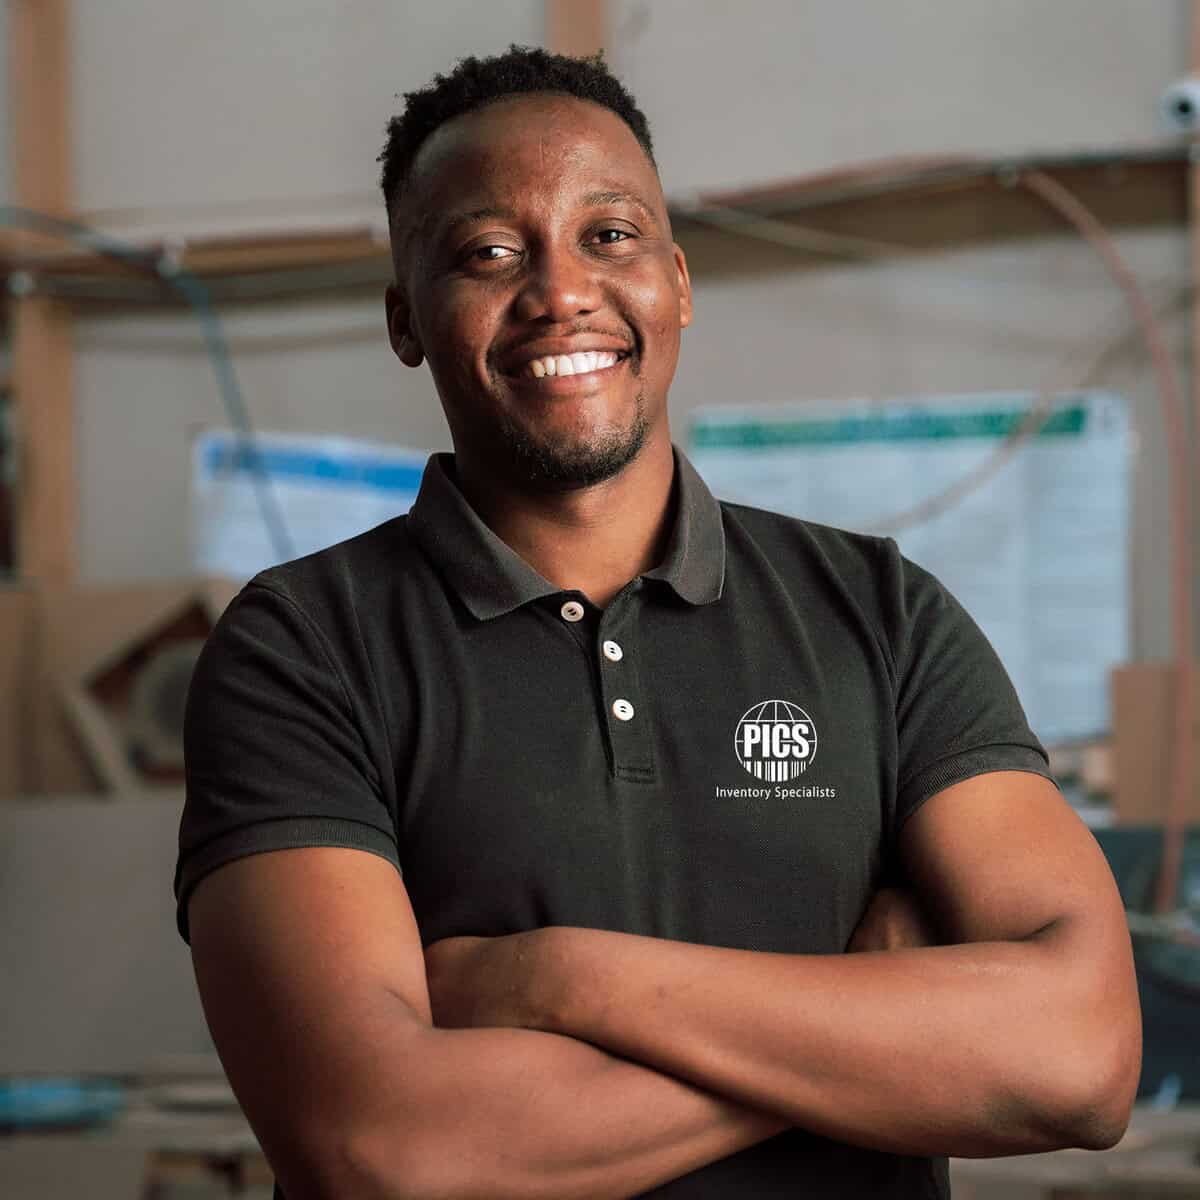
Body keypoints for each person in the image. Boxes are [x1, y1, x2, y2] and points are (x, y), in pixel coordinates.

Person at [175, 45, 1141, 1199]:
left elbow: (1082, 1057)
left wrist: (558, 978)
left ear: (678, 282)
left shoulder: (883, 616)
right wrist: (873, 1025)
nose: (560, 292)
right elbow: (380, 1148)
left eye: (610, 235)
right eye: (488, 252)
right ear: (406, 319)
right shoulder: (301, 649)